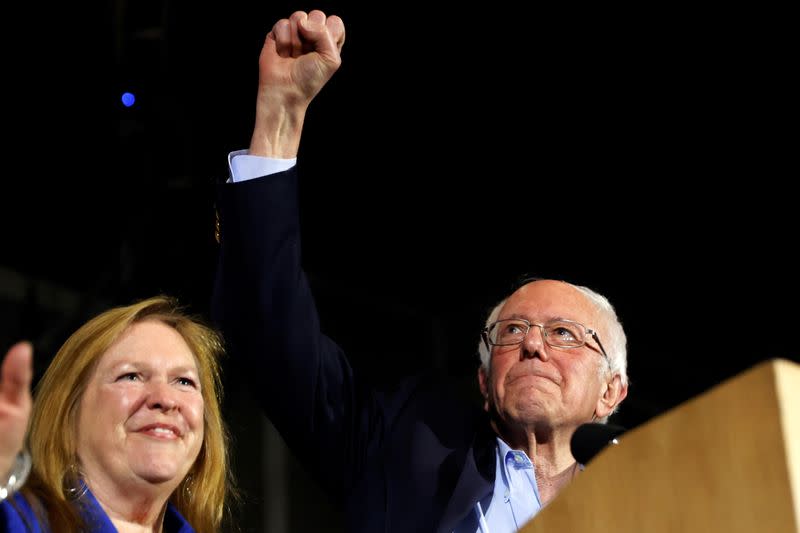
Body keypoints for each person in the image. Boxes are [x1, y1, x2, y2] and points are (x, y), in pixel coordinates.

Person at [212, 9, 628, 532]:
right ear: (483, 380)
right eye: (511, 330)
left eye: (563, 333)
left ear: (613, 391)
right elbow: (272, 336)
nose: (533, 345)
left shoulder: (663, 495)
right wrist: (280, 114)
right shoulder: (401, 450)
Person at [0, 296, 234, 533]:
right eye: (131, 376)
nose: (165, 399)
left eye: (184, 381)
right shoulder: (19, 521)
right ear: (68, 415)